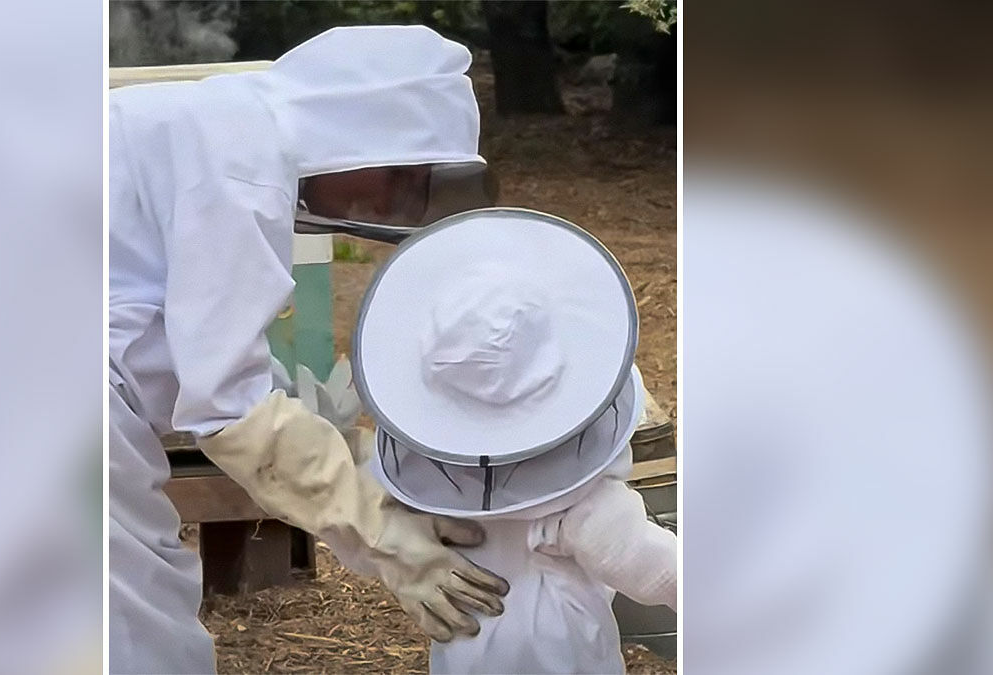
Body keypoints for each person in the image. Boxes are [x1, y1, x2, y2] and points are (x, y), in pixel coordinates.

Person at [108, 26, 509, 673]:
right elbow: (228, 408)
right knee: (130, 637)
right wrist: (378, 528)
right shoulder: (241, 160)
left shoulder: (224, 128)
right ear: (363, 130)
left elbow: (213, 360)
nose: (383, 205)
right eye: (399, 177)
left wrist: (366, 484)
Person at [352, 211, 678, 674]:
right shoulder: (579, 509)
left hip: (464, 649)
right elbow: (650, 566)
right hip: (568, 655)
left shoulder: (428, 493)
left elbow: (363, 536)